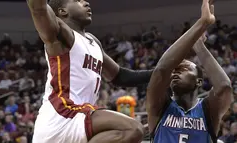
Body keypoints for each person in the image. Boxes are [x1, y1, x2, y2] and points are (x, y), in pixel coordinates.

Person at [26, 0, 154, 142]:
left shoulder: (92, 41)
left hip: (79, 118)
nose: (86, 3)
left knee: (131, 132)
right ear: (63, 11)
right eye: (78, 1)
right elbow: (39, 8)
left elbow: (120, 77)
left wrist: (161, 73)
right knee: (132, 128)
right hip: (61, 115)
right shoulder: (60, 33)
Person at [146, 0, 232, 143]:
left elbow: (224, 87)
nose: (175, 73)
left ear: (199, 81)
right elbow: (161, 70)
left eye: (184, 69)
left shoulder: (207, 110)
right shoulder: (159, 105)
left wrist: (199, 46)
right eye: (174, 70)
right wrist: (202, 23)